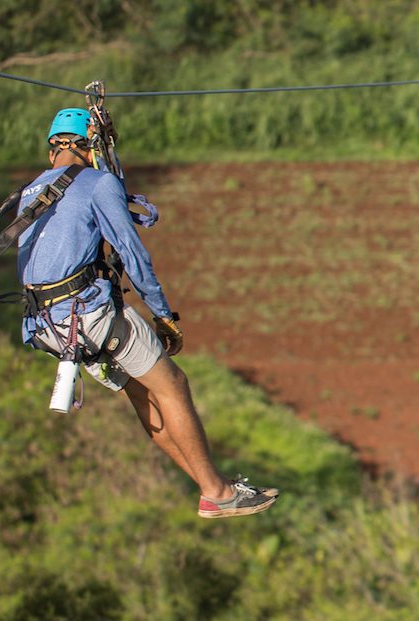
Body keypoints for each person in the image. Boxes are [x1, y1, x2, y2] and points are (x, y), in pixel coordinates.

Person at [18, 108, 278, 519]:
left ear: (53, 150)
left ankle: (211, 488)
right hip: (89, 317)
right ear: (92, 149)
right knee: (172, 383)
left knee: (142, 393)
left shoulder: (30, 193)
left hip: (48, 328)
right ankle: (217, 492)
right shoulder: (98, 182)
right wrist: (163, 315)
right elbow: (133, 256)